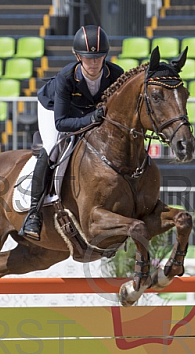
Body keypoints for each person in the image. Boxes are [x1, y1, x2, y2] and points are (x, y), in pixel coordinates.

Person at [18, 25, 124, 241]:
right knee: (52, 148)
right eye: (88, 58)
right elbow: (62, 122)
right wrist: (90, 119)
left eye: (98, 57)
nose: (93, 63)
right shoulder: (66, 78)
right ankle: (33, 215)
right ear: (77, 56)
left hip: (88, 111)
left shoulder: (116, 75)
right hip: (54, 111)